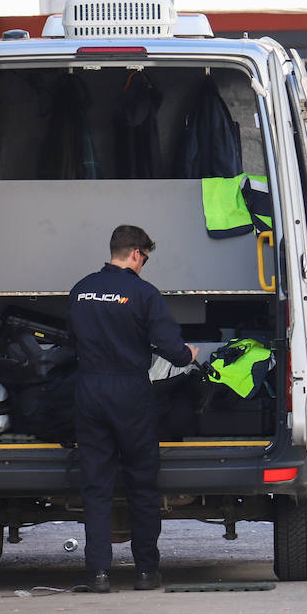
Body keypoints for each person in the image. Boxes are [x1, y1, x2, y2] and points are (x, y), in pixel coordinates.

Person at [69, 225, 197, 593]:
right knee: (142, 481)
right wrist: (188, 354)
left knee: (95, 484)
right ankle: (145, 571)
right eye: (146, 258)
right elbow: (171, 348)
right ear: (137, 254)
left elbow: (71, 339)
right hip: (130, 391)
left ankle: (97, 573)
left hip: (90, 389)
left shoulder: (81, 290)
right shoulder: (143, 293)